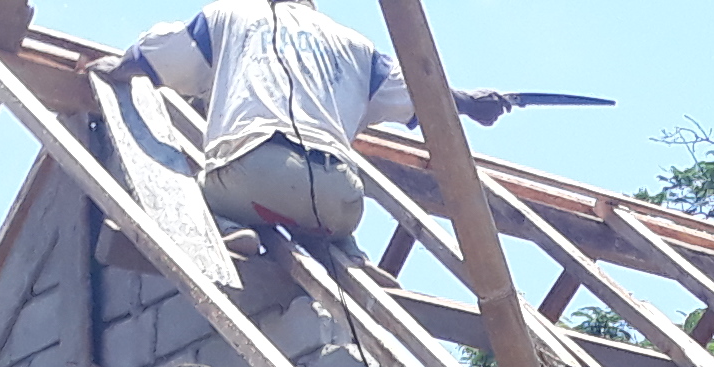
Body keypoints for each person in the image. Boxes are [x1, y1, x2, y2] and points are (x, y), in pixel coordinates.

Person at [122, 0, 515, 255]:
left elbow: (153, 57)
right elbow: (426, 94)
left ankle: (229, 228)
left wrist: (117, 69)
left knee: (181, 190)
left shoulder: (231, 15)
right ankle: (352, 258)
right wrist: (468, 100)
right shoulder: (358, 47)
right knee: (318, 209)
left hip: (259, 181)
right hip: (343, 200)